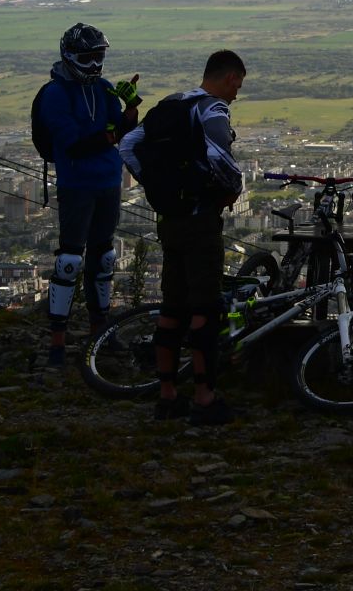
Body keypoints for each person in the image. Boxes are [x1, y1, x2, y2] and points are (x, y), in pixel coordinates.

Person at [124, 50, 246, 426]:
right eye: (237, 86)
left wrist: (157, 187)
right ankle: (205, 398)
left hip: (170, 220)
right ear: (228, 79)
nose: (236, 95)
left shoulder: (174, 103)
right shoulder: (212, 111)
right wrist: (232, 189)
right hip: (199, 220)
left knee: (171, 308)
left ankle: (167, 396)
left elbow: (128, 145)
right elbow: (219, 157)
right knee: (204, 311)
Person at [35, 23, 141, 368]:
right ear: (69, 57)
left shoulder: (104, 88)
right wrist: (113, 134)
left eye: (100, 57)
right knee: (70, 261)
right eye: (88, 58)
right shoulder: (55, 94)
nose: (95, 65)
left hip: (108, 181)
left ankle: (102, 334)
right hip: (77, 184)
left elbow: (122, 130)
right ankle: (57, 343)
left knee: (104, 258)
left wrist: (130, 106)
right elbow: (74, 146)